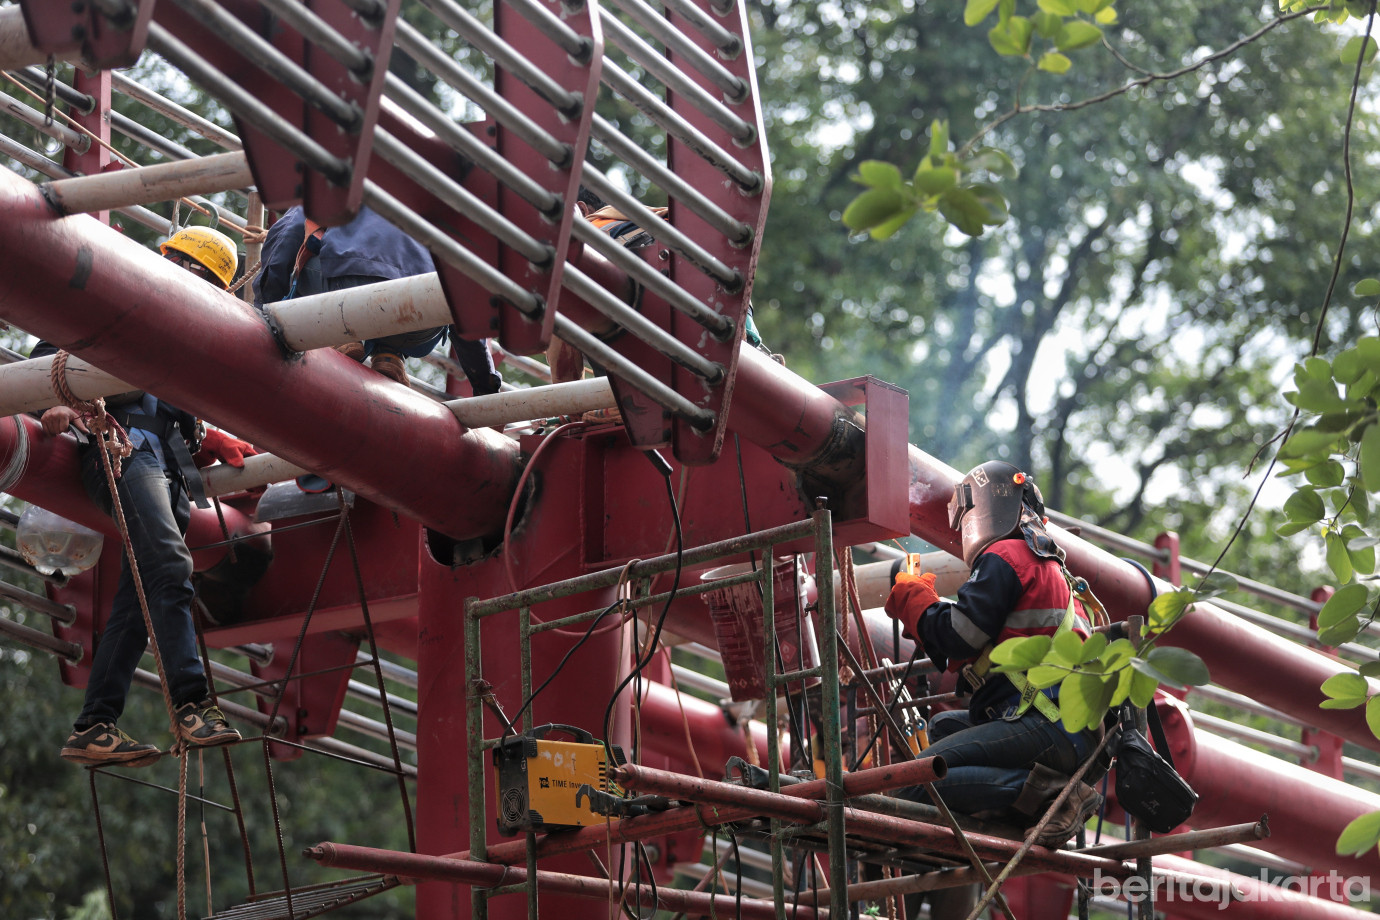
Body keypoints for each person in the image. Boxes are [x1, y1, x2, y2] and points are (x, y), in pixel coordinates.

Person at [37, 226, 251, 766]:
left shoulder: (183, 343)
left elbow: (174, 416)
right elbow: (45, 364)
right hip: (122, 451)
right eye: (191, 272)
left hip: (167, 471)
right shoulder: (113, 310)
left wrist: (207, 440)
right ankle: (193, 702)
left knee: (137, 604)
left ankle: (95, 724)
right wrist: (51, 404)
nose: (192, 286)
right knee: (170, 567)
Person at [883, 461, 1103, 847]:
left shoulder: (1007, 556)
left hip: (1045, 723)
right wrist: (930, 607)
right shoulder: (1047, 567)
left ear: (984, 506)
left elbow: (958, 637)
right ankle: (1018, 805)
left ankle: (1051, 795)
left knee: (914, 782)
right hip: (1064, 727)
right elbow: (984, 638)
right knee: (943, 728)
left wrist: (916, 600)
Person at [254, 206, 502, 395]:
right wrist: (484, 381)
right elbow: (465, 301)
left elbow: (284, 243)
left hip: (346, 296)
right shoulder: (442, 208)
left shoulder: (337, 183)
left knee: (300, 263)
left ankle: (342, 335)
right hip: (419, 324)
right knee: (437, 293)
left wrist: (263, 313)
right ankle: (391, 354)